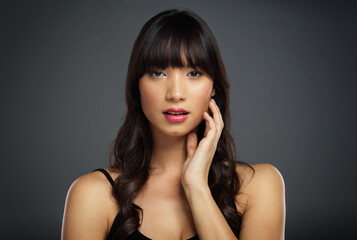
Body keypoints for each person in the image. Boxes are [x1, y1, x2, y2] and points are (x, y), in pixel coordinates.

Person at [61, 9, 285, 240]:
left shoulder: (259, 186)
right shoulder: (93, 195)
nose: (176, 93)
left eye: (194, 73)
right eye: (158, 73)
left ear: (214, 87)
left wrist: (197, 188)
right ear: (137, 87)